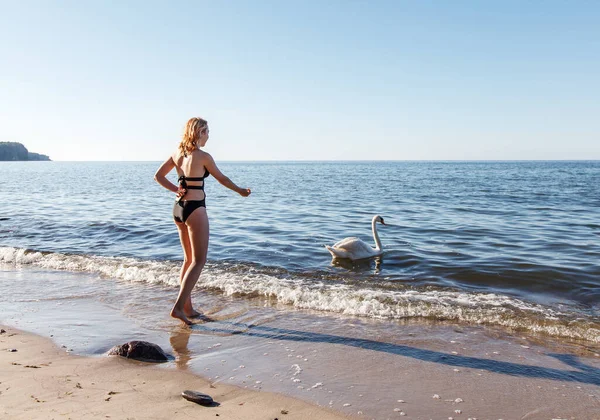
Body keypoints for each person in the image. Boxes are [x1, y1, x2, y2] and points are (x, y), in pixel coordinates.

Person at [154, 117, 251, 325]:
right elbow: (222, 179)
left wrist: (177, 189)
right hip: (195, 209)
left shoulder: (177, 154)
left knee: (188, 260)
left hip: (178, 209)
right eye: (207, 131)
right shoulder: (204, 156)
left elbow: (158, 176)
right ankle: (179, 308)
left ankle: (187, 308)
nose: (209, 136)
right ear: (199, 132)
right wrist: (241, 191)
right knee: (199, 261)